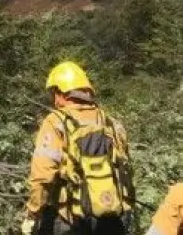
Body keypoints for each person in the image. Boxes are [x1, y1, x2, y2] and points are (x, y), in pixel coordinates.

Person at [21, 61, 134, 235]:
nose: (53, 99)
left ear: (61, 93)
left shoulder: (56, 122)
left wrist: (32, 213)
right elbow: (126, 174)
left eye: (53, 93)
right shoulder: (113, 125)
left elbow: (43, 177)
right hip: (114, 219)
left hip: (71, 221)